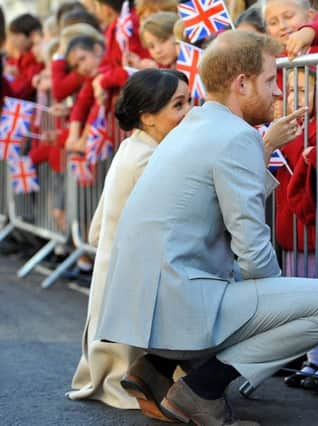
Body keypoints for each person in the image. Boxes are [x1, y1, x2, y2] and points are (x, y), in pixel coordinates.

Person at [95, 30, 318, 425]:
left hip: (144, 307)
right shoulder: (234, 137)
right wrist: (277, 307)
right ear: (242, 83)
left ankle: (156, 370)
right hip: (177, 304)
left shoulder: (192, 125)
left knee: (247, 285)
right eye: (270, 81)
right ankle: (202, 392)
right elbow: (253, 251)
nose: (279, 93)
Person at [67, 69, 191, 416]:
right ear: (147, 117)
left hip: (117, 258)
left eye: (188, 101)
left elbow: (102, 212)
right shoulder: (149, 157)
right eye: (178, 105)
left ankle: (115, 377)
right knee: (126, 342)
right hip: (132, 263)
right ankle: (129, 383)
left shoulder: (133, 146)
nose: (189, 112)